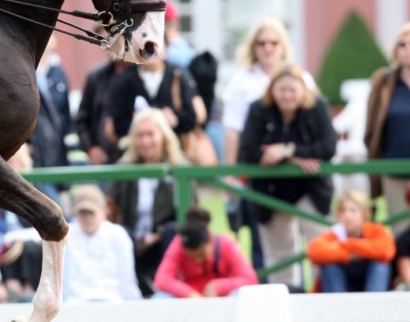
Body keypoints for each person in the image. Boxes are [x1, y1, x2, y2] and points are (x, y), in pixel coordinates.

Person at [220, 17, 313, 268]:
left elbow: (314, 123)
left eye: (274, 42)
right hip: (259, 168)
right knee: (262, 237)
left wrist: (296, 153)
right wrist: (231, 172)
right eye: (262, 43)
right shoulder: (241, 82)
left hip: (297, 171)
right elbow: (232, 130)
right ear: (253, 48)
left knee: (311, 238)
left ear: (283, 46)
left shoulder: (301, 77)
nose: (268, 48)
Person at [237, 63, 337, 287]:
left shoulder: (317, 107)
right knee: (280, 256)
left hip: (311, 190)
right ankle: (286, 301)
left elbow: (328, 147)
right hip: (270, 193)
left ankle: (325, 296)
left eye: (292, 89)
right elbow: (247, 152)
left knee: (321, 249)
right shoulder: (258, 109)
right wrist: (293, 158)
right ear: (272, 90)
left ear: (304, 90)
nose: (287, 95)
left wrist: (286, 150)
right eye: (282, 89)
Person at [108, 108, 192, 296]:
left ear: (163, 136)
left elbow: (189, 212)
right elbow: (111, 207)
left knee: (173, 232)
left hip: (162, 239)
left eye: (150, 135)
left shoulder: (179, 167)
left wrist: (157, 234)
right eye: (140, 136)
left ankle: (164, 287)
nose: (145, 141)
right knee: (119, 234)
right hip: (131, 236)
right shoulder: (124, 169)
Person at [103, 47, 210, 164]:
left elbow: (194, 117)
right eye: (145, 48)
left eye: (154, 47)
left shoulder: (178, 75)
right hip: (137, 159)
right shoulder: (124, 81)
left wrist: (175, 119)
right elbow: (115, 127)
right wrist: (139, 122)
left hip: (175, 156)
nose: (150, 53)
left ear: (164, 49)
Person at [365, 21, 410, 237]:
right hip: (394, 168)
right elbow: (372, 125)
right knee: (401, 232)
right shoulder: (384, 82)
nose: (407, 50)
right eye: (402, 45)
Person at [153, 206, 257, 298]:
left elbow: (250, 279)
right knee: (161, 298)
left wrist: (219, 286)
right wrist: (189, 293)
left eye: (202, 255)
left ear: (210, 241)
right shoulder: (178, 244)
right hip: (188, 300)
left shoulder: (226, 244)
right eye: (191, 257)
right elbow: (161, 279)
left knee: (242, 295)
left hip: (222, 299)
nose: (197, 261)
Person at [62, 184, 142, 303]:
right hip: (75, 303)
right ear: (75, 214)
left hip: (113, 303)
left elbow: (126, 278)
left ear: (104, 211)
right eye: (83, 213)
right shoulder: (65, 237)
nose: (87, 219)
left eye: (91, 213)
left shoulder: (118, 235)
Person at [307, 189, 395, 292]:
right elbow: (314, 251)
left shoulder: (375, 230)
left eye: (353, 210)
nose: (348, 216)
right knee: (330, 267)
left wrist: (347, 244)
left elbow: (386, 251)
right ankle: (338, 306)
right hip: (342, 287)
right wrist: (353, 254)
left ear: (364, 213)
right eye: (343, 211)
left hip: (371, 285)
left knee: (380, 266)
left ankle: (373, 305)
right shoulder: (335, 233)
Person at [73, 58, 132, 165]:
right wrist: (90, 148)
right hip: (103, 158)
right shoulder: (97, 77)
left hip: (134, 156)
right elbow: (82, 119)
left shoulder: (140, 75)